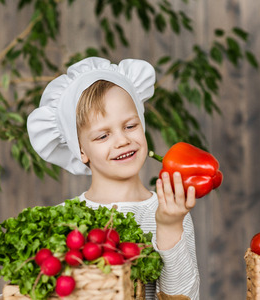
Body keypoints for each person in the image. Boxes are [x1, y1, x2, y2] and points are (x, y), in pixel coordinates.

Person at [27, 57, 200, 299]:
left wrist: (169, 227)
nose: (122, 141)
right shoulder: (64, 221)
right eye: (102, 136)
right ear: (81, 151)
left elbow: (185, 297)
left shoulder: (170, 211)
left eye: (130, 126)